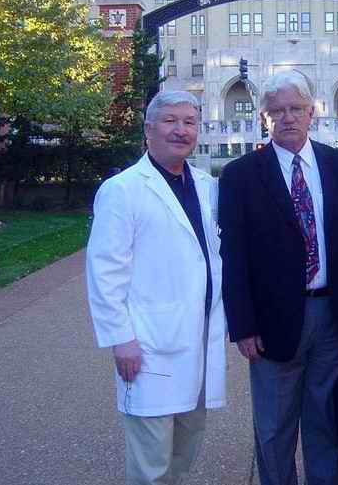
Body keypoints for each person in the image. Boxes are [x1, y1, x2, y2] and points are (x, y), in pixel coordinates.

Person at [219, 70, 338, 485]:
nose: (287, 117)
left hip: (332, 316)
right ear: (263, 118)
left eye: (296, 109)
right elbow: (233, 257)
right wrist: (243, 327)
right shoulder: (240, 176)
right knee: (274, 427)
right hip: (271, 323)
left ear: (312, 113)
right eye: (277, 111)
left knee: (325, 421)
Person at [86, 91, 226, 485]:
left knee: (186, 446)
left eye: (189, 122)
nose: (181, 130)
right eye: (170, 121)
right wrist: (120, 338)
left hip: (199, 336)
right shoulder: (123, 189)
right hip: (148, 344)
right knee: (151, 461)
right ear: (148, 129)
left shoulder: (206, 186)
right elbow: (105, 270)